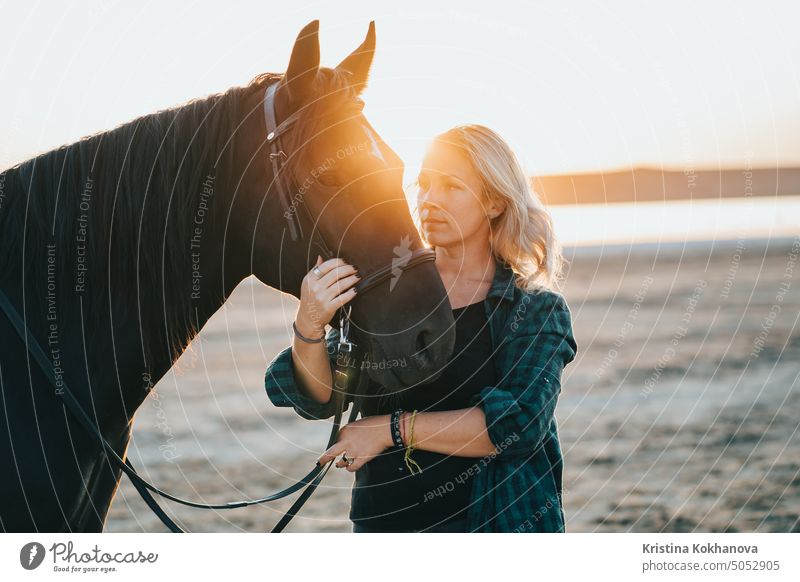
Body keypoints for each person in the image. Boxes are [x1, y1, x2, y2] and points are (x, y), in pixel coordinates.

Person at [265, 124, 577, 533]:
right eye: (424, 185)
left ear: (495, 202)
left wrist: (388, 430)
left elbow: (517, 427)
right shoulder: (382, 295)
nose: (430, 200)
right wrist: (309, 323)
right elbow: (322, 395)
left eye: (451, 187)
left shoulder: (534, 310)